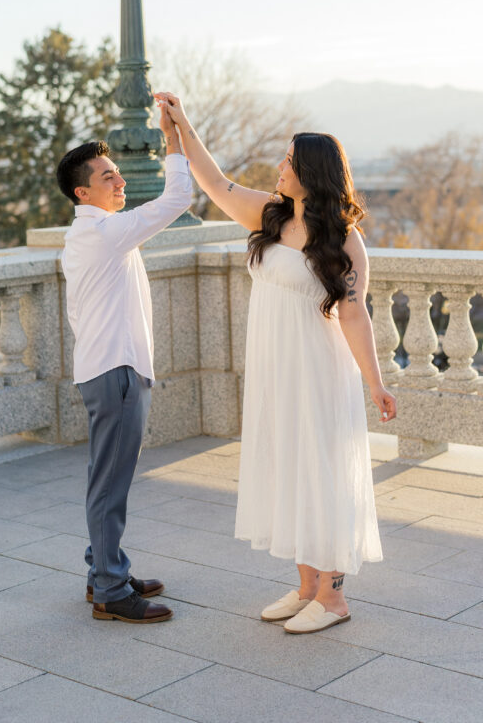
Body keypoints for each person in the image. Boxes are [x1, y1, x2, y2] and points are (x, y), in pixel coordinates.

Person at [154, 92, 397, 634]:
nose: (280, 166)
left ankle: (333, 596)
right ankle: (307, 584)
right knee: (288, 464)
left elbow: (355, 316)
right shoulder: (270, 214)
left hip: (316, 370)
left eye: (289, 160)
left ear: (312, 171)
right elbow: (215, 182)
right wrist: (181, 125)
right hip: (274, 367)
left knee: (320, 469)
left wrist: (376, 383)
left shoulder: (343, 238)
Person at [56, 101, 192, 624]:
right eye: (107, 177)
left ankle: (104, 572)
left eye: (117, 173)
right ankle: (111, 591)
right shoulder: (104, 234)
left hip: (107, 370)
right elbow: (178, 197)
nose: (119, 182)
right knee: (110, 484)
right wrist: (174, 139)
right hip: (116, 373)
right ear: (81, 193)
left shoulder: (89, 233)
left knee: (105, 480)